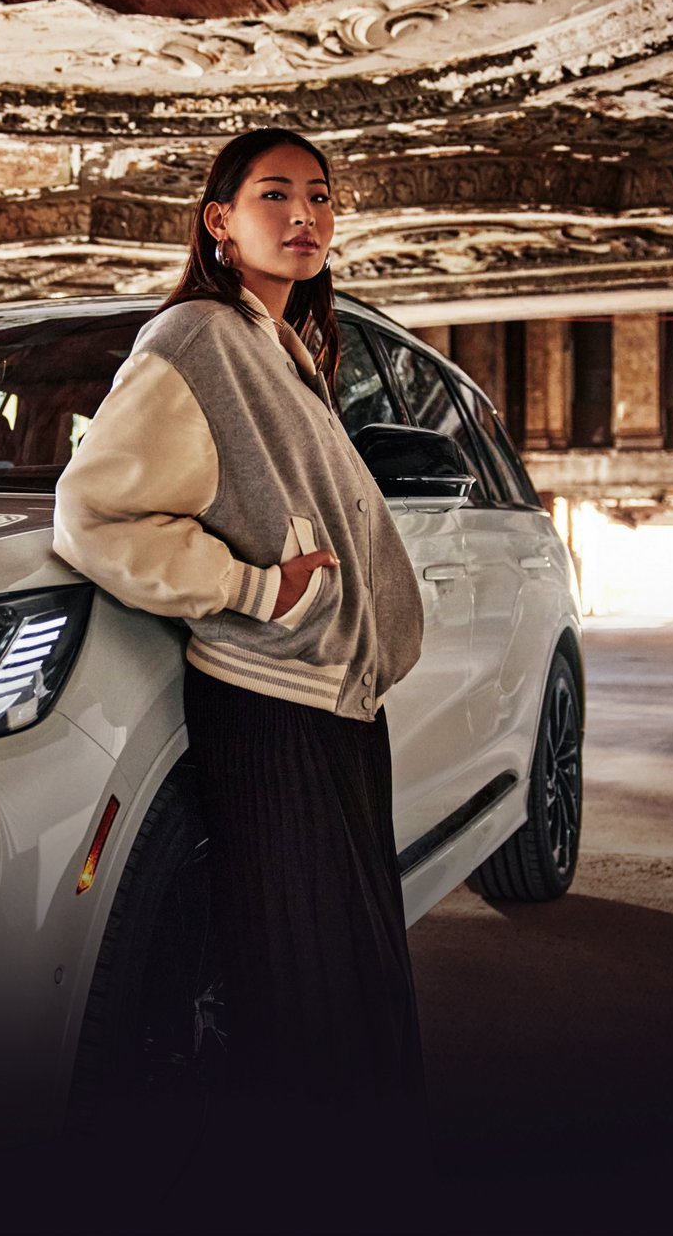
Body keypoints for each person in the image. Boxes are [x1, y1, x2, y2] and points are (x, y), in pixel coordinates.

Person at [52, 128, 430, 1175]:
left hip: (330, 697)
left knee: (341, 960)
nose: (303, 215)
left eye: (319, 196)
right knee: (301, 971)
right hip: (271, 698)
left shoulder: (279, 345)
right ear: (218, 222)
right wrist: (252, 588)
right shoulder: (197, 340)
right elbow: (93, 511)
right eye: (273, 195)